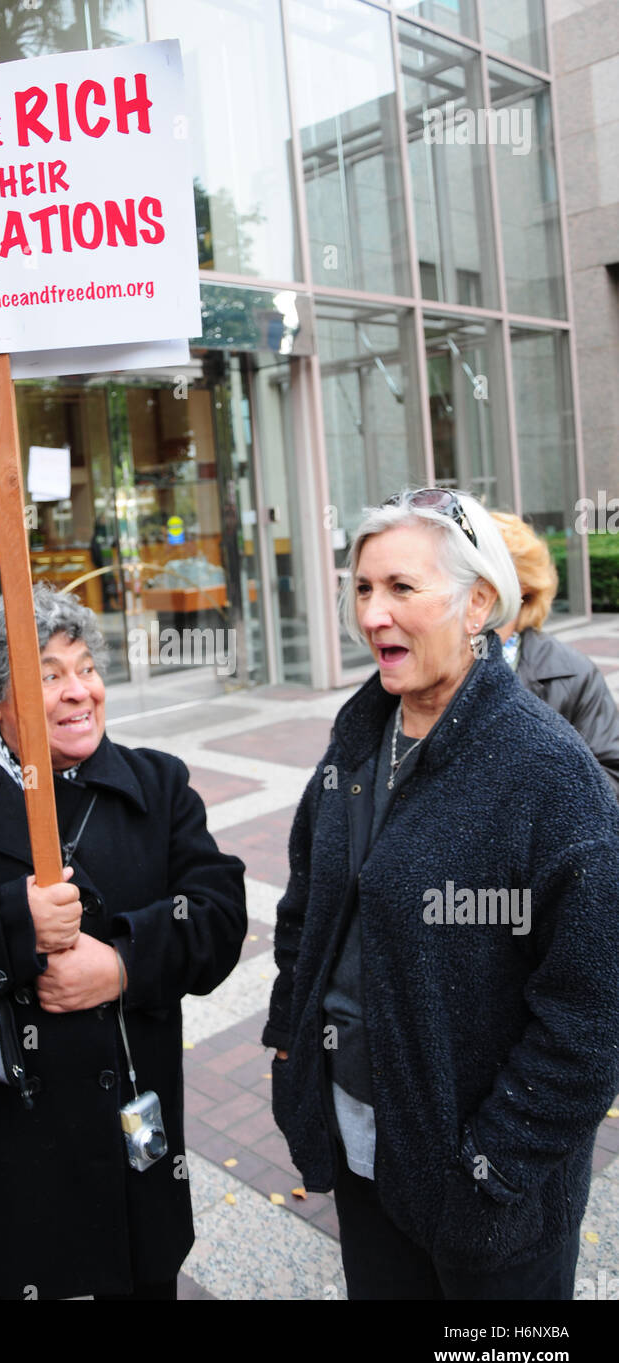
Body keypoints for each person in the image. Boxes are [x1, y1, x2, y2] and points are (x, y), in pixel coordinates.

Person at [263, 488, 619, 1301]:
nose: (373, 614)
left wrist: (490, 1168)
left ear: (478, 604)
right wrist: (294, 1038)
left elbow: (592, 1015)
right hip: (364, 1152)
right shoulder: (357, 738)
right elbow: (307, 910)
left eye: (401, 588)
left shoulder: (548, 774)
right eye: (362, 588)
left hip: (490, 1203)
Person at [0, 584, 246, 1300]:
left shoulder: (158, 786)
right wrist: (11, 922)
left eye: (87, 668)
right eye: (50, 675)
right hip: (3, 1170)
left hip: (131, 1162)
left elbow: (219, 914)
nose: (79, 692)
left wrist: (122, 964)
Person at [491, 510, 619, 795]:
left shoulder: (573, 674)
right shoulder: (428, 664)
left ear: (523, 585)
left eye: (488, 573)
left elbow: (611, 778)